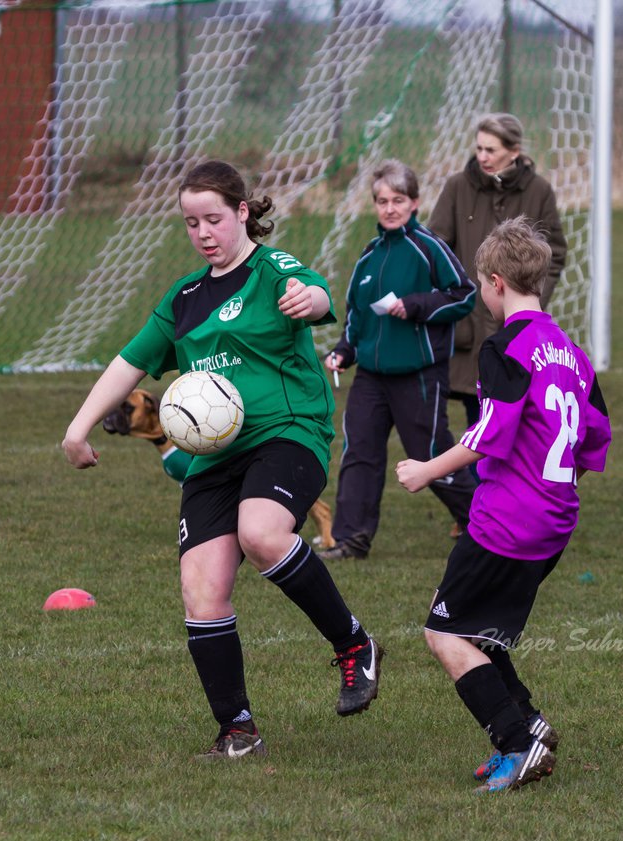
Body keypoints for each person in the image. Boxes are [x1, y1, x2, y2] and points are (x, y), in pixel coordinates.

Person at [62, 159, 383, 759]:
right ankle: (237, 730)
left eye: (214, 218)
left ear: (242, 213)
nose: (203, 232)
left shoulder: (271, 269)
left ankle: (352, 645)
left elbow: (315, 294)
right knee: (201, 591)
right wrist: (78, 429)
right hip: (214, 455)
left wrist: (306, 301)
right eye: (191, 222)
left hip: (287, 432)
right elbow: (131, 362)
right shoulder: (184, 297)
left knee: (261, 532)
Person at [395, 216, 610, 793]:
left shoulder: (506, 347)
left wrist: (425, 470)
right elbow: (596, 435)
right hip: (554, 521)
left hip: (507, 521)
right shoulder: (571, 352)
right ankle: (530, 725)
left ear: (494, 283)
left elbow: (489, 432)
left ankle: (518, 746)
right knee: (481, 631)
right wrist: (555, 484)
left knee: (444, 634)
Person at [320, 160, 477, 560]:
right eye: (382, 201)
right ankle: (351, 539)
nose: (390, 209)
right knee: (359, 453)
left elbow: (463, 294)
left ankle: (484, 526)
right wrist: (344, 351)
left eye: (398, 200)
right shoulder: (369, 256)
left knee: (431, 455)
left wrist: (417, 305)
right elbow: (357, 315)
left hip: (419, 375)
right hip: (371, 378)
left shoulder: (428, 247)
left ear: (415, 202)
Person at [425, 113, 566, 432]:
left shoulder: (539, 190)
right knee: (479, 423)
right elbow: (435, 248)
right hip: (468, 328)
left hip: (523, 334)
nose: (483, 157)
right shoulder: (457, 187)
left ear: (514, 151)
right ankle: (478, 483)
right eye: (479, 149)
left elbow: (554, 252)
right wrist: (453, 297)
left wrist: (528, 299)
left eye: (492, 150)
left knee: (522, 418)